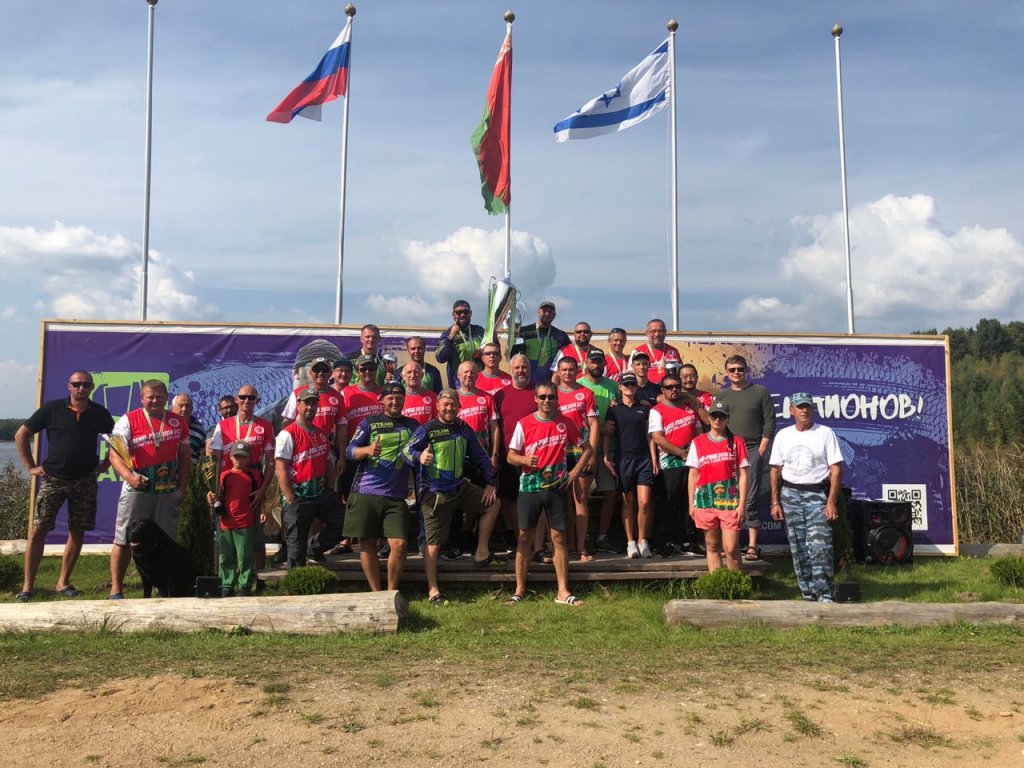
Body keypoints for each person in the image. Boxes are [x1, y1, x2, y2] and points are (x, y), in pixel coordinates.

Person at [14, 370, 115, 602]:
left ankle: (63, 582)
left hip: (85, 480)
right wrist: (30, 466)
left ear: (92, 388)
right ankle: (27, 588)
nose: (81, 388)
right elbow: (21, 435)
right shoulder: (52, 409)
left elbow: (116, 439)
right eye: (76, 384)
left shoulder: (99, 412)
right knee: (38, 531)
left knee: (77, 531)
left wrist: (106, 464)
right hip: (54, 479)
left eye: (86, 384)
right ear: (69, 386)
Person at [403, 389, 501, 606]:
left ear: (459, 407)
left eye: (453, 405)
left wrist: (490, 482)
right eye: (445, 404)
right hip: (435, 493)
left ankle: (481, 552)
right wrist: (420, 456)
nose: (449, 408)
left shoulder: (464, 428)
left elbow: (481, 456)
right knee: (433, 545)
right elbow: (406, 451)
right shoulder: (427, 429)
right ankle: (433, 590)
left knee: (493, 504)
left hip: (459, 487)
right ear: (437, 406)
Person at [506, 381, 592, 606]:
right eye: (542, 397)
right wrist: (525, 459)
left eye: (551, 397)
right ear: (535, 399)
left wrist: (574, 473)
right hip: (530, 488)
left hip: (557, 489)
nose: (546, 401)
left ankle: (563, 591)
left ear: (556, 399)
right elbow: (510, 456)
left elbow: (588, 449)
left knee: (559, 539)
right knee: (524, 537)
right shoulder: (524, 423)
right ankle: (519, 590)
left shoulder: (566, 423)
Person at [107, 379, 191, 599]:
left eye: (159, 397)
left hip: (167, 490)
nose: (155, 401)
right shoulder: (128, 419)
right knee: (125, 538)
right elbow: (114, 453)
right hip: (138, 489)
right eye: (150, 397)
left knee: (166, 542)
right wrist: (129, 477)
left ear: (166, 398)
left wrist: (182, 487)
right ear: (141, 398)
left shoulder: (178, 421)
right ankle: (116, 589)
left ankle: (163, 588)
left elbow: (184, 455)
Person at [769, 393, 844, 602]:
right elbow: (775, 470)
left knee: (820, 547)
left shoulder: (825, 433)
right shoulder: (783, 435)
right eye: (800, 407)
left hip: (816, 495)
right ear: (791, 410)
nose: (804, 410)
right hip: (790, 495)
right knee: (799, 548)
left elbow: (836, 469)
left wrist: (831, 501)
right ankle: (808, 595)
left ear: (813, 409)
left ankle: (825, 595)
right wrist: (775, 502)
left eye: (808, 407)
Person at [344, 381, 419, 591]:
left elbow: (422, 448)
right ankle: (376, 593)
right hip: (366, 492)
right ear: (382, 400)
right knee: (367, 544)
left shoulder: (413, 425)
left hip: (396, 496)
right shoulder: (369, 423)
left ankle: (391, 592)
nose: (395, 402)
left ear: (404, 399)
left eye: (399, 398)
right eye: (390, 398)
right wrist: (367, 450)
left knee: (399, 544)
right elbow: (350, 451)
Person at [274, 386, 344, 568]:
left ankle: (313, 548)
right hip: (298, 495)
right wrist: (290, 497)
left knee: (344, 524)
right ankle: (296, 580)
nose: (310, 407)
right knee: (296, 546)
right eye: (306, 403)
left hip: (320, 492)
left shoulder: (320, 433)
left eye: (314, 403)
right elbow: (281, 468)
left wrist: (331, 490)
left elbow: (328, 463)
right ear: (298, 404)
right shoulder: (287, 434)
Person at [715, 354, 776, 562]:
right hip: (729, 450)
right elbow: (716, 423)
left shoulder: (760, 391)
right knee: (727, 496)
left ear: (746, 370)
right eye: (732, 369)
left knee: (750, 497)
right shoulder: (722, 396)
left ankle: (751, 545)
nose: (736, 372)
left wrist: (761, 449)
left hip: (752, 450)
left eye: (740, 369)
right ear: (727, 373)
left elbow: (770, 421)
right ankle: (728, 544)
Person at [208, 385, 276, 571]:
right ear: (236, 400)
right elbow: (215, 460)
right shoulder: (223, 426)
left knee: (256, 535)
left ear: (257, 401)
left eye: (251, 398)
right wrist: (213, 490)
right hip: (228, 485)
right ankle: (224, 580)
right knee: (223, 534)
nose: (247, 400)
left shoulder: (265, 426)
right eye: (243, 397)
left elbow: (270, 462)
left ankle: (259, 578)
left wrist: (263, 490)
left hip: (253, 484)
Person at [686, 399, 749, 572]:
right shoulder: (698, 442)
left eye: (721, 416)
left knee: (731, 548)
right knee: (712, 546)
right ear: (708, 418)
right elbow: (693, 475)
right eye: (714, 416)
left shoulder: (737, 442)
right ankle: (718, 584)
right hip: (705, 500)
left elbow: (744, 475)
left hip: (730, 500)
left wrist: (742, 505)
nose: (717, 420)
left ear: (727, 419)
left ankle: (736, 584)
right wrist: (691, 503)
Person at [649, 373, 703, 556]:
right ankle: (668, 541)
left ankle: (688, 541)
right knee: (670, 503)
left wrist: (694, 453)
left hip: (691, 462)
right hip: (670, 463)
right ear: (662, 390)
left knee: (689, 501)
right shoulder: (656, 410)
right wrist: (681, 453)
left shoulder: (689, 408)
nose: (674, 390)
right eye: (669, 387)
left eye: (677, 386)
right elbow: (658, 438)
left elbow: (699, 431)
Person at [603, 372, 655, 558]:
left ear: (637, 387)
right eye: (626, 384)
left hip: (644, 459)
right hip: (624, 459)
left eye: (633, 384)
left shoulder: (645, 408)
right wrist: (605, 456)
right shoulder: (614, 409)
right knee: (628, 501)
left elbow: (650, 435)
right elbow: (607, 434)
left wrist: (654, 458)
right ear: (620, 387)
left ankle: (643, 541)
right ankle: (630, 542)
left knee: (645, 502)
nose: (630, 387)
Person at [553, 357, 599, 560]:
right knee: (563, 502)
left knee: (580, 499)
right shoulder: (552, 394)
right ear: (558, 372)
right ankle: (568, 545)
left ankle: (581, 548)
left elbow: (594, 424)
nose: (568, 373)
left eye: (571, 369)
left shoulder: (586, 393)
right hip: (559, 453)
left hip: (581, 452)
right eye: (564, 370)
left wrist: (592, 453)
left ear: (577, 370)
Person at [578, 348, 622, 553]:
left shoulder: (613, 386)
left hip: (608, 448)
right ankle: (583, 536)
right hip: (584, 448)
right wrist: (599, 428)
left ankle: (602, 536)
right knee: (581, 495)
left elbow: (619, 411)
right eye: (593, 361)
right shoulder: (578, 385)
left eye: (600, 362)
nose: (596, 365)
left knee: (611, 493)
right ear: (586, 362)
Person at [492, 354, 536, 552]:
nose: (520, 371)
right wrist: (495, 454)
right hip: (507, 456)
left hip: (534, 458)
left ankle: (532, 541)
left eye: (524, 367)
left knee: (532, 499)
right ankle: (512, 536)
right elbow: (495, 427)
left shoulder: (538, 393)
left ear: (529, 369)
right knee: (508, 499)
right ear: (510, 370)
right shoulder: (499, 395)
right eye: (517, 367)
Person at [208, 440, 260, 597]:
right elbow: (218, 496)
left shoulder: (254, 475)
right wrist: (211, 497)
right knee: (225, 556)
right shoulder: (224, 475)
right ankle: (226, 584)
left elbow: (260, 496)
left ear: (249, 458)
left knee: (244, 556)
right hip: (226, 521)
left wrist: (264, 511)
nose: (239, 460)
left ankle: (245, 585)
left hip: (245, 521)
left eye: (243, 457)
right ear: (230, 457)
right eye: (236, 456)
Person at [513, 300, 570, 385]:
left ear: (554, 315)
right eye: (544, 311)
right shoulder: (523, 332)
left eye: (550, 312)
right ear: (538, 312)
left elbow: (567, 360)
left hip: (549, 385)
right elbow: (513, 356)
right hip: (525, 383)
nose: (547, 314)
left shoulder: (561, 336)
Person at [436, 299, 485, 388]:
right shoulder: (447, 334)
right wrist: (451, 337)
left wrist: (482, 353)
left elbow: (492, 354)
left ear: (470, 313)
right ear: (453, 314)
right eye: (458, 312)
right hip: (458, 386)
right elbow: (440, 358)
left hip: (480, 384)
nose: (462, 315)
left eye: (466, 312)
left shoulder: (479, 331)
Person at [631, 319, 682, 385]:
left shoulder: (673, 351)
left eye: (660, 331)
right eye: (653, 331)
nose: (657, 334)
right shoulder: (638, 351)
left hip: (668, 388)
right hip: (646, 388)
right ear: (647, 333)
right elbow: (631, 372)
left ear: (665, 332)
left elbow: (680, 372)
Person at [171, 393, 206, 465]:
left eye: (187, 406)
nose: (184, 409)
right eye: (181, 405)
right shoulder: (165, 424)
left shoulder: (199, 428)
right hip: (167, 470)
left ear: (192, 409)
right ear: (173, 407)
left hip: (190, 470)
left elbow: (202, 453)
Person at [400, 361, 437, 426]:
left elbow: (438, 421)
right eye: (409, 372)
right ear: (403, 376)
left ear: (422, 375)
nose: (413, 375)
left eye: (416, 372)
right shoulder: (398, 398)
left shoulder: (432, 396)